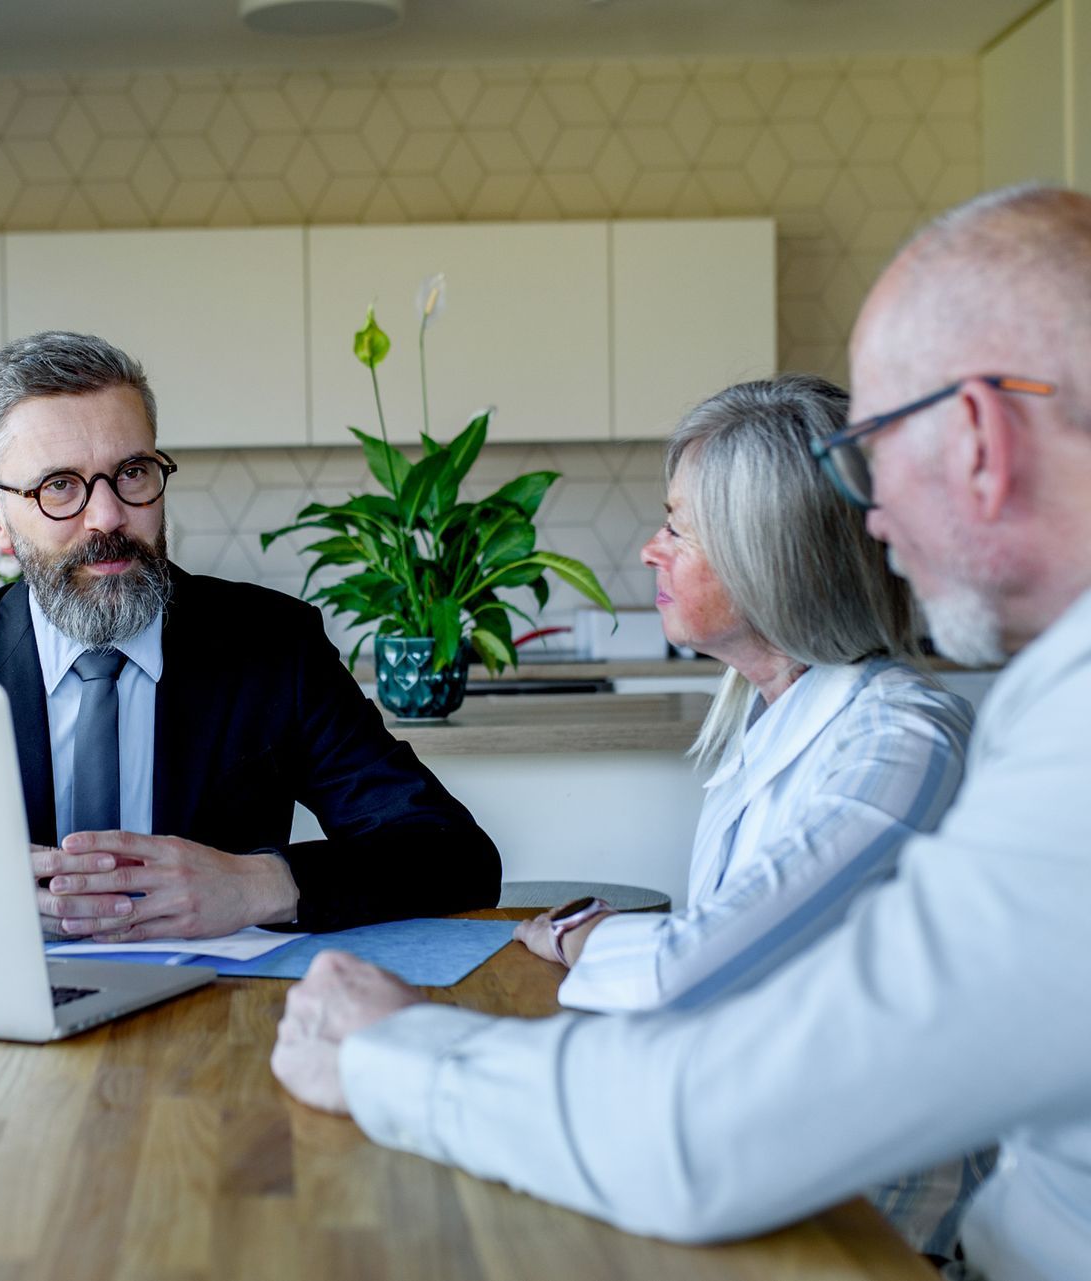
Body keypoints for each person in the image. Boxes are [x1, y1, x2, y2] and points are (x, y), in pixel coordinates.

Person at [271, 184, 1091, 1281]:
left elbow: (712, 1119)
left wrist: (390, 1051)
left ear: (981, 440)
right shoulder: (1024, 712)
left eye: (874, 455)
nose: (872, 513)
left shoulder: (975, 744)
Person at [0, 330, 501, 939]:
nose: (110, 515)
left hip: (220, 1012)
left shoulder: (275, 645)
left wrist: (257, 884)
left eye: (133, 472)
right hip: (8, 1013)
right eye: (59, 486)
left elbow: (454, 856)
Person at [516, 376, 972, 1018]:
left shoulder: (903, 741)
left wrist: (580, 934)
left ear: (770, 560)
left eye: (677, 528)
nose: (650, 551)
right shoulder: (765, 712)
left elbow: (689, 971)